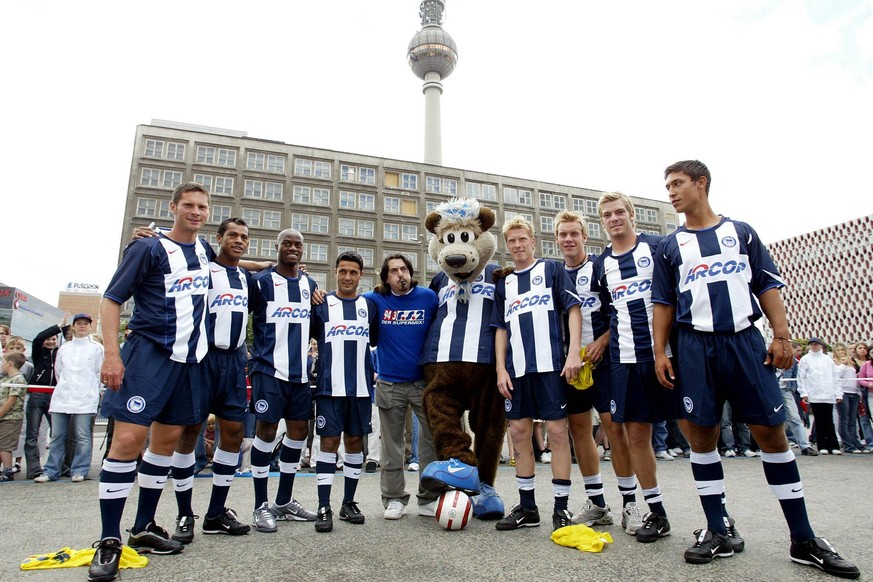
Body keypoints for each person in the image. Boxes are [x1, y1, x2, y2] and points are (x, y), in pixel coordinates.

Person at [652, 160, 858, 578]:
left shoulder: (741, 232)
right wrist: (660, 351)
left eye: (678, 184)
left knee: (770, 434)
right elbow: (664, 303)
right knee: (703, 434)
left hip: (744, 341)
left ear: (701, 183)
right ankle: (717, 529)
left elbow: (766, 284)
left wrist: (781, 336)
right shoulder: (671, 246)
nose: (671, 192)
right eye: (667, 185)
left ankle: (803, 539)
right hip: (694, 345)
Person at [88, 182, 215, 582]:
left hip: (189, 361)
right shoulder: (148, 247)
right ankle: (109, 540)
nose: (196, 212)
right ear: (173, 207)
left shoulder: (205, 251)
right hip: (148, 354)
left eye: (202, 207)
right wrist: (112, 354)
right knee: (127, 442)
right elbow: (111, 300)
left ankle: (143, 526)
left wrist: (265, 267)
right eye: (189, 205)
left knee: (164, 444)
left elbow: (230, 265)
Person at [592, 192, 680, 543]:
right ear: (602, 222)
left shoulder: (658, 247)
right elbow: (610, 313)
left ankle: (718, 514)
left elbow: (675, 297)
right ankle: (656, 512)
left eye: (619, 212)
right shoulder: (603, 266)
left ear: (631, 215)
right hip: (625, 361)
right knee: (636, 436)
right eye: (607, 215)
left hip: (668, 355)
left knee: (696, 430)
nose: (613, 218)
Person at [492, 216, 582, 532]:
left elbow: (573, 309)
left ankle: (561, 508)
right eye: (511, 241)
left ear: (533, 241)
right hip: (517, 372)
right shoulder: (504, 283)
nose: (517, 245)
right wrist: (501, 368)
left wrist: (573, 352)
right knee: (518, 434)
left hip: (551, 366)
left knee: (557, 434)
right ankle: (528, 508)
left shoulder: (552, 270)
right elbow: (500, 329)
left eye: (522, 239)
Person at [552, 210, 639, 531]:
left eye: (574, 233)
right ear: (557, 239)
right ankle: (598, 503)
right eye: (563, 234)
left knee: (614, 430)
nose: (568, 239)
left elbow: (620, 311)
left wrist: (603, 341)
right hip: (571, 365)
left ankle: (631, 504)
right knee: (579, 431)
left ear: (585, 237)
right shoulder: (554, 274)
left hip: (604, 362)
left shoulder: (601, 267)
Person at [247, 228, 318, 533]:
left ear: (303, 250)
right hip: (267, 370)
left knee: (299, 432)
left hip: (299, 374)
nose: (292, 248)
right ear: (276, 247)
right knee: (266, 432)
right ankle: (260, 505)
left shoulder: (309, 284)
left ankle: (284, 500)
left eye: (297, 245)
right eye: (286, 244)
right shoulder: (261, 282)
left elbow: (317, 323)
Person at [309, 251, 379, 532]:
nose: (347, 277)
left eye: (353, 272)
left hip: (361, 389)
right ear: (335, 272)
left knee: (353, 444)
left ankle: (348, 502)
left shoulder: (370, 307)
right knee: (328, 445)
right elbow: (312, 333)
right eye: (342, 271)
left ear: (361, 275)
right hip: (329, 388)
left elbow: (374, 340)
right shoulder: (321, 304)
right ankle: (323, 505)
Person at [34, 313, 103, 483]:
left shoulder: (97, 348)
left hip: (85, 397)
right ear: (73, 326)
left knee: (82, 436)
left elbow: (99, 372)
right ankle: (51, 470)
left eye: (85, 323)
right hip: (63, 396)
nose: (82, 326)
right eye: (78, 323)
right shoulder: (64, 348)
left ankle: (80, 469)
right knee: (57, 436)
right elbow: (59, 372)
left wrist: (94, 391)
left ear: (90, 326)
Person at [26, 317, 71, 480]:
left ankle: (60, 465)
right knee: (33, 433)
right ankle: (33, 468)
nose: (51, 342)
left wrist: (67, 328)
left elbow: (71, 341)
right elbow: (38, 338)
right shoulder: (38, 353)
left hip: (55, 396)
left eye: (53, 339)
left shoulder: (62, 352)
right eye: (49, 339)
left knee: (58, 433)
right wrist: (57, 327)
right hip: (38, 395)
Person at [797, 338, 842, 455]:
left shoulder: (828, 359)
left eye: (816, 344)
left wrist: (838, 393)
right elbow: (801, 377)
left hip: (828, 393)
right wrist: (804, 393)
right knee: (819, 420)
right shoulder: (805, 359)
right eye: (812, 344)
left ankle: (833, 445)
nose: (814, 346)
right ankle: (822, 444)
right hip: (814, 393)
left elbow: (835, 377)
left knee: (829, 420)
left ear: (821, 346)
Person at [776, 342, 817, 455]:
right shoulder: (769, 359)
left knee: (795, 417)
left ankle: (804, 446)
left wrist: (792, 389)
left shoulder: (792, 361)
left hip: (786, 391)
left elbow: (795, 376)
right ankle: (777, 445)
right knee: (774, 419)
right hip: (772, 391)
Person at [0, 352, 27, 481]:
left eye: (3, 362)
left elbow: (11, 400)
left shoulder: (18, 379)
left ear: (9, 363)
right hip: (3, 417)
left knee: (5, 445)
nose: (2, 365)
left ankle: (7, 470)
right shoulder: (4, 379)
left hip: (10, 417)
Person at [833, 344, 864, 453]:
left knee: (852, 420)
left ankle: (855, 442)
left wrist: (858, 392)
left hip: (853, 392)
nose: (841, 351)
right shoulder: (834, 362)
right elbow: (836, 376)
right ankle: (848, 445)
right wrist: (842, 365)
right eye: (838, 350)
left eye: (842, 349)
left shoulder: (851, 362)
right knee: (844, 420)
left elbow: (854, 378)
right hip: (843, 392)